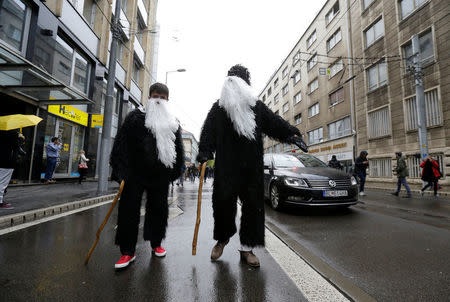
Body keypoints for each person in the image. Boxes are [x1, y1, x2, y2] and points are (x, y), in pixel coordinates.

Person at [197, 65, 308, 267]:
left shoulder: (256, 107)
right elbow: (208, 133)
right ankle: (222, 238)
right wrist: (204, 153)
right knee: (222, 203)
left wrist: (292, 133)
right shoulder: (218, 109)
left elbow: (274, 122)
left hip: (251, 167)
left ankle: (247, 249)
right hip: (226, 167)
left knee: (252, 207)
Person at [110, 82, 184, 269]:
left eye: (163, 97)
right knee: (129, 210)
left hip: (160, 174)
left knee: (158, 209)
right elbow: (121, 143)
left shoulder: (172, 122)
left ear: (167, 100)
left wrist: (175, 171)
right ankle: (127, 251)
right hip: (135, 172)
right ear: (149, 97)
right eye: (155, 96)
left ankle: (156, 243)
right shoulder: (135, 118)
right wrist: (120, 170)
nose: (158, 100)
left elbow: (178, 149)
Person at [0, 130, 25, 209]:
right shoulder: (12, 133)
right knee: (2, 183)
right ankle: (0, 202)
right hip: (7, 161)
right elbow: (16, 146)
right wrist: (20, 137)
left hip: (2, 159)